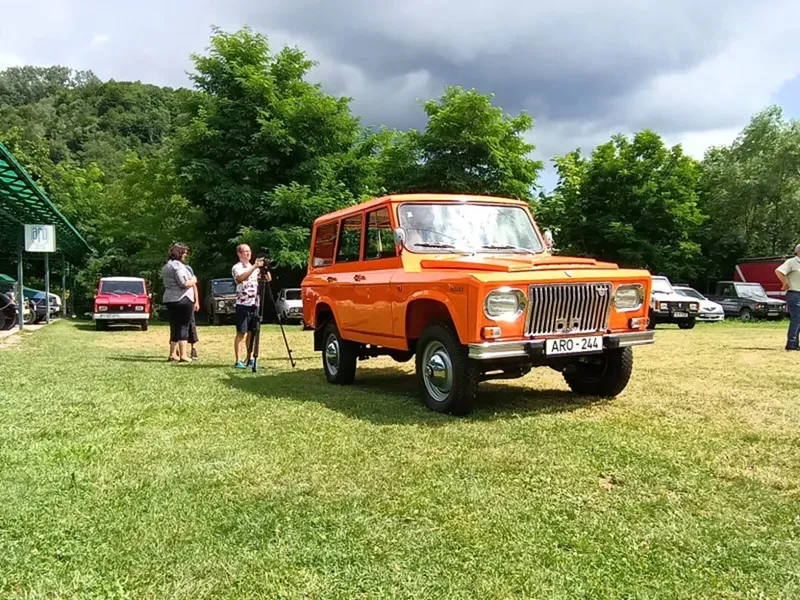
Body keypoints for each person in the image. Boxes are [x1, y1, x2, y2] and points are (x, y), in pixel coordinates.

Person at [231, 244, 270, 369]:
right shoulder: (237, 267)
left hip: (255, 303)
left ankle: (250, 358)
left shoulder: (256, 268)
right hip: (242, 304)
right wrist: (254, 266)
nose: (248, 254)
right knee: (241, 332)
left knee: (252, 333)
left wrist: (265, 268)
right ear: (239, 253)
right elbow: (241, 278)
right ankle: (238, 360)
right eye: (245, 252)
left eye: (249, 251)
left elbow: (268, 279)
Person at [161, 243, 197, 362]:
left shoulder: (166, 265)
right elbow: (184, 283)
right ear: (179, 253)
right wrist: (193, 280)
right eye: (184, 253)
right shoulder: (178, 266)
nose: (185, 255)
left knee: (175, 326)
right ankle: (183, 355)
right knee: (183, 326)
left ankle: (172, 354)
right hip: (182, 299)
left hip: (169, 299)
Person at [775, 243, 800, 352]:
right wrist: (785, 283)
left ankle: (795, 343)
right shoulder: (792, 262)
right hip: (794, 294)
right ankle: (791, 344)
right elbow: (779, 271)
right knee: (797, 319)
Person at [185, 263, 200, 360]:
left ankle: (193, 348)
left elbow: (194, 286)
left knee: (191, 323)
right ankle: (177, 348)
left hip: (189, 300)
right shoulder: (173, 268)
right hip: (179, 300)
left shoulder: (188, 268)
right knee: (178, 324)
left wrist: (197, 301)